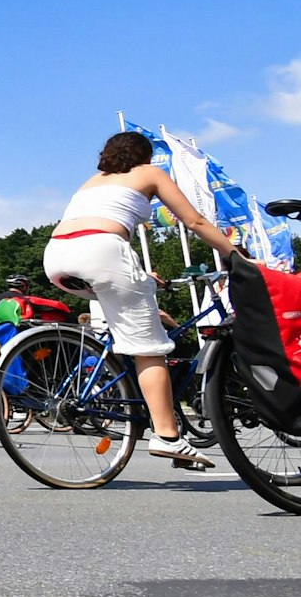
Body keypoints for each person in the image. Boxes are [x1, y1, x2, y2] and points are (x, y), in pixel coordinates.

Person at [43, 129, 240, 468]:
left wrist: (140, 277)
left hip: (57, 257)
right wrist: (235, 255)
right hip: (102, 250)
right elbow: (193, 220)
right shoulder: (148, 172)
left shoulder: (91, 182)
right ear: (145, 156)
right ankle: (167, 435)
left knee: (131, 307)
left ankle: (122, 381)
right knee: (149, 349)